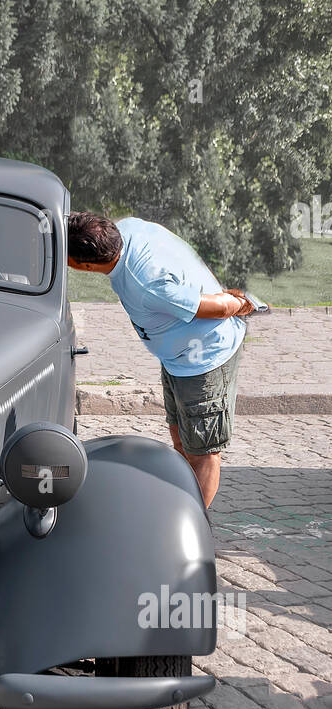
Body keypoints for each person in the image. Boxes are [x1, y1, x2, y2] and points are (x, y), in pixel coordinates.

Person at [67, 212, 256, 508]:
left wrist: (243, 302)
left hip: (203, 358)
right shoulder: (125, 228)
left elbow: (218, 307)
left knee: (202, 453)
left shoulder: (147, 285)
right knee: (181, 439)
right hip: (177, 358)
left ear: (85, 265)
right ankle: (179, 505)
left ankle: (192, 529)